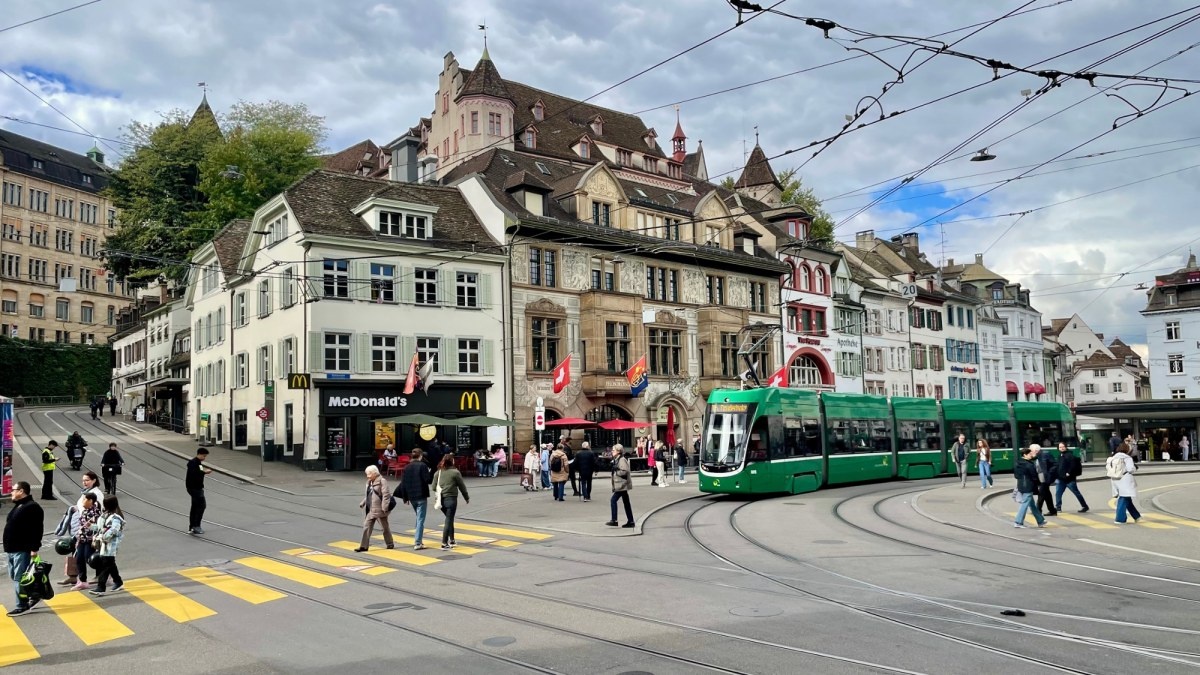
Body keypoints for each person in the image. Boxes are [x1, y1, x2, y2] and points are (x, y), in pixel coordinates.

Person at [5, 482, 44, 615]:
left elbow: (37, 529)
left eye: (13, 490)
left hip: (21, 549)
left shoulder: (32, 507)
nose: (11, 492)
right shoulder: (19, 506)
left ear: (21, 491)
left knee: (19, 578)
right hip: (11, 549)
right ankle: (34, 595)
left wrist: (34, 548)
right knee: (16, 576)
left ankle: (21, 605)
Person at [88, 495, 125, 597]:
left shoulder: (116, 518)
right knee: (110, 564)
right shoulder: (105, 515)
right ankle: (118, 582)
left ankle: (101, 587)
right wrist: (91, 526)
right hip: (103, 545)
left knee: (105, 565)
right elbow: (100, 527)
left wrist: (104, 536)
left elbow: (114, 530)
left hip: (110, 545)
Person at [397, 448, 432, 550]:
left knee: (418, 517)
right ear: (420, 456)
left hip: (411, 496)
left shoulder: (407, 467)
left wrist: (405, 497)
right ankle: (418, 542)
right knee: (420, 519)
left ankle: (418, 539)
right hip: (421, 495)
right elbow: (428, 480)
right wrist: (429, 473)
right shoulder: (423, 465)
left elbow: (403, 483)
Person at [432, 454, 469, 550]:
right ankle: (444, 542)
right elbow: (462, 486)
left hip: (441, 500)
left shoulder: (438, 473)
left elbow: (433, 487)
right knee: (449, 520)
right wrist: (466, 497)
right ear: (452, 461)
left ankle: (452, 539)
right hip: (451, 498)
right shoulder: (455, 472)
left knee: (449, 518)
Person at [355, 465, 394, 552]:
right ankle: (363, 546)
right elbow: (370, 494)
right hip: (371, 509)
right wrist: (363, 502)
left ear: (374, 473)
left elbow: (386, 495)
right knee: (366, 527)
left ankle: (390, 543)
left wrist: (385, 507)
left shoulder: (382, 481)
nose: (367, 476)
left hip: (380, 509)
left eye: (369, 474)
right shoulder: (369, 482)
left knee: (385, 528)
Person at [72, 490, 101, 591]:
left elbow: (99, 527)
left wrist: (91, 526)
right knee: (79, 559)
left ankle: (106, 573)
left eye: (85, 499)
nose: (83, 501)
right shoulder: (84, 511)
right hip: (82, 539)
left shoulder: (95, 512)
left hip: (90, 540)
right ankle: (83, 581)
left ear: (90, 501)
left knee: (89, 558)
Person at [1013, 447, 1046, 529]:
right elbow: (1034, 476)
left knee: (1032, 505)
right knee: (1024, 504)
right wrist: (1038, 484)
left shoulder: (1018, 463)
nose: (1031, 455)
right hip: (1029, 486)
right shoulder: (1029, 464)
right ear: (1025, 455)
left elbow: (1016, 475)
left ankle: (1040, 521)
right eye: (1030, 454)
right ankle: (1018, 522)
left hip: (1021, 485)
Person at [1109, 443, 1141, 524]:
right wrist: (1135, 468)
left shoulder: (1113, 457)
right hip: (1125, 479)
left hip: (1115, 478)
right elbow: (1130, 469)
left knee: (1127, 498)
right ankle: (1120, 519)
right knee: (1123, 498)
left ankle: (1136, 516)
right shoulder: (1127, 458)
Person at [1054, 442, 1089, 513]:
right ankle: (1058, 507)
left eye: (1063, 446)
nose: (1062, 448)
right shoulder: (1060, 455)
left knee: (1076, 493)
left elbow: (1073, 465)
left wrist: (1068, 473)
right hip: (1061, 478)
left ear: (1066, 447)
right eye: (1060, 447)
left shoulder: (1069, 455)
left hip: (1069, 479)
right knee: (1058, 493)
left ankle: (1085, 506)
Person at [605, 444, 634, 528]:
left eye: (613, 450)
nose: (612, 451)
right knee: (626, 503)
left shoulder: (622, 460)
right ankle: (631, 521)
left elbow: (625, 472)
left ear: (618, 451)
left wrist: (616, 470)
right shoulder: (617, 459)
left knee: (613, 500)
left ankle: (614, 520)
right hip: (621, 484)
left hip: (621, 485)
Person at [186, 448, 212, 535]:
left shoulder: (198, 463)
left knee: (195, 507)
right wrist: (205, 472)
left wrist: (203, 471)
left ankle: (192, 526)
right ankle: (196, 526)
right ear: (200, 454)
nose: (204, 458)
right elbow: (195, 474)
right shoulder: (194, 463)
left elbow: (199, 471)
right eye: (204, 456)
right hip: (195, 488)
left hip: (196, 488)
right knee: (201, 506)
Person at [1033, 443, 1058, 516]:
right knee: (1047, 494)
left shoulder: (1045, 454)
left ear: (1036, 450)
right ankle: (1052, 510)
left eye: (1032, 450)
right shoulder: (1035, 457)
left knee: (1041, 493)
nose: (1030, 452)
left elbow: (1055, 464)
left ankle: (1038, 510)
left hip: (1046, 477)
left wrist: (1049, 473)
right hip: (1040, 476)